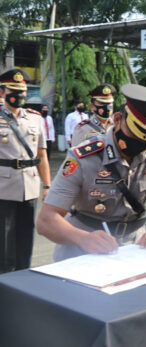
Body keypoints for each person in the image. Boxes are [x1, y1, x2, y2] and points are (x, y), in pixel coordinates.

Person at [37, 84, 146, 261]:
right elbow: (46, 220)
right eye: (136, 134)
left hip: (133, 249)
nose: (141, 145)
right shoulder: (83, 157)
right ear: (118, 119)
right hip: (82, 253)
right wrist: (83, 238)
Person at [0, 69, 51, 273]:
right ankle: (4, 279)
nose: (19, 95)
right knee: (3, 237)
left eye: (22, 91)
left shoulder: (35, 119)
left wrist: (47, 185)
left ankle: (23, 272)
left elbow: (42, 155)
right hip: (3, 186)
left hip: (29, 185)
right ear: (2, 92)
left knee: (25, 234)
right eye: (14, 91)